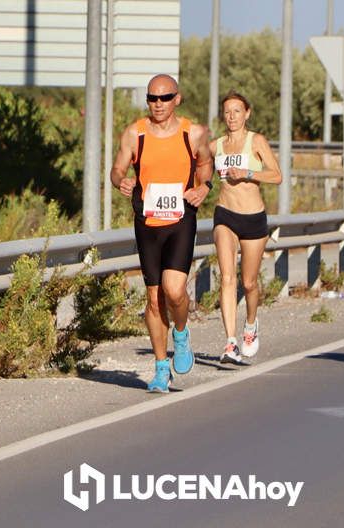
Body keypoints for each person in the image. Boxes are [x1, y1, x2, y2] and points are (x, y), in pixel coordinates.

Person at [110, 74, 213, 393]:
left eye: (165, 98)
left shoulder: (193, 133)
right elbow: (117, 169)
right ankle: (159, 368)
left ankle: (180, 335)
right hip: (147, 219)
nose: (158, 104)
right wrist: (121, 181)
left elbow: (206, 163)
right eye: (153, 98)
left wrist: (203, 187)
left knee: (174, 289)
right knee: (154, 299)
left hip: (181, 218)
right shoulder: (135, 133)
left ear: (177, 99)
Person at [210, 91, 282, 364]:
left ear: (247, 113)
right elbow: (200, 171)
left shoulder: (256, 141)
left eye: (237, 111)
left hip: (253, 217)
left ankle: (250, 325)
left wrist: (249, 173)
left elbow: (277, 176)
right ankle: (230, 343)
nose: (232, 117)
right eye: (227, 112)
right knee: (228, 278)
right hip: (225, 214)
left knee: (249, 283)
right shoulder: (215, 145)